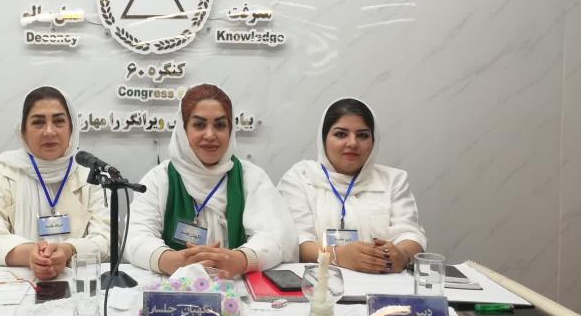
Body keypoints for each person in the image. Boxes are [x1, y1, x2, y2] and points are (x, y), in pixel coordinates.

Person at [126, 83, 293, 277]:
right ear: (183, 129)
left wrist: (242, 260)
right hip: (175, 287)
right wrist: (171, 260)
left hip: (235, 286)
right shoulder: (159, 179)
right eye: (199, 125)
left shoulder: (251, 177)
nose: (210, 135)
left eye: (220, 125)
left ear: (231, 130)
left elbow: (277, 237)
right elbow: (136, 236)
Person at [0, 86, 109, 279]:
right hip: (18, 282)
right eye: (38, 122)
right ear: (23, 131)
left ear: (72, 128)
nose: (49, 131)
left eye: (58, 121)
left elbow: (106, 238)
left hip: (78, 283)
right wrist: (29, 254)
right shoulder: (5, 171)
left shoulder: (90, 174)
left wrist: (68, 251)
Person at [278, 97, 426, 273]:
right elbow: (295, 242)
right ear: (323, 139)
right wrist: (337, 255)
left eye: (362, 135)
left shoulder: (393, 179)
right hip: (319, 283)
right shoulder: (300, 178)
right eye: (341, 134)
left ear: (374, 140)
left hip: (382, 281)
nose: (353, 143)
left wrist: (401, 254)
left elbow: (410, 233)